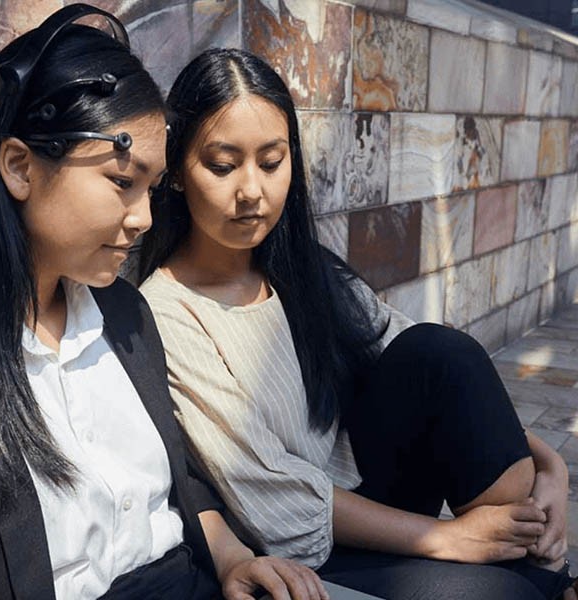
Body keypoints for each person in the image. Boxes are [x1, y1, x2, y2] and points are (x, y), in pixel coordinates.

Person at [0, 10, 331, 600]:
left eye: (152, 189)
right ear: (20, 166)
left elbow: (178, 479)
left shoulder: (127, 317)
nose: (145, 219)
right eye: (122, 181)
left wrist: (234, 561)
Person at [137, 47, 575, 600]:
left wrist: (551, 465)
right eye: (223, 166)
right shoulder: (167, 311)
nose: (251, 190)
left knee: (441, 352)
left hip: (370, 492)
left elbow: (409, 355)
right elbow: (279, 494)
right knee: (512, 589)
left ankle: (527, 561)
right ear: (176, 172)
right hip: (297, 545)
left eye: (271, 162)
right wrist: (448, 538)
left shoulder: (304, 269)